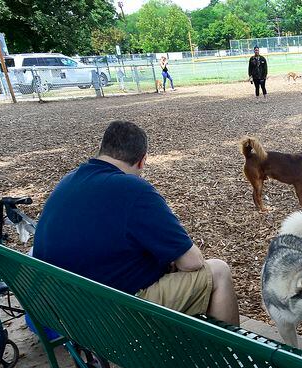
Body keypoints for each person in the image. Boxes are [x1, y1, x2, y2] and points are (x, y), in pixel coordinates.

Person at [33, 121, 239, 325]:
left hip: (64, 310)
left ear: (103, 149)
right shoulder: (133, 189)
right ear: (142, 161)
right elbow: (192, 262)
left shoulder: (68, 181)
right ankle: (229, 355)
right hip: (113, 316)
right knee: (218, 272)